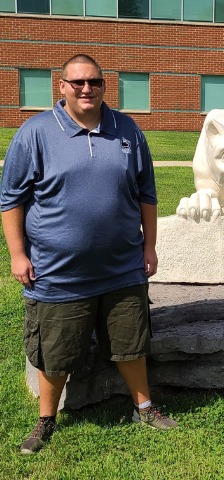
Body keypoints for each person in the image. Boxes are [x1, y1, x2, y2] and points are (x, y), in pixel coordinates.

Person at [1, 54, 178, 455]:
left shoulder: (127, 130)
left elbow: (146, 194)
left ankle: (144, 408)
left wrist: (149, 247)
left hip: (122, 268)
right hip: (59, 273)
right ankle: (47, 419)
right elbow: (10, 198)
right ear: (60, 86)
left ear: (103, 85)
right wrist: (17, 254)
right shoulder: (36, 133)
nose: (86, 89)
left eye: (94, 82)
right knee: (55, 351)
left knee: (131, 343)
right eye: (77, 82)